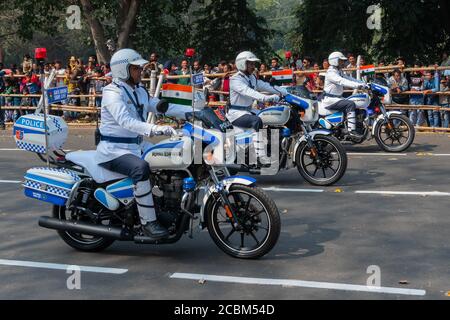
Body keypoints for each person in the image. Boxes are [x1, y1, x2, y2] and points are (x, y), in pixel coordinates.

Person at [95, 48, 177, 239]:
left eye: (140, 69)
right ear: (123, 70)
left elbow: (160, 105)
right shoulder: (112, 92)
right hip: (114, 150)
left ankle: (164, 205)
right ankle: (149, 222)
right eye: (136, 69)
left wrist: (192, 111)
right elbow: (126, 121)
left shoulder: (138, 90)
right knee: (141, 169)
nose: (141, 72)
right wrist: (156, 129)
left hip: (137, 145)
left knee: (171, 156)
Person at [227, 51, 289, 161]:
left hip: (249, 110)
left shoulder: (251, 77)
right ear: (242, 64)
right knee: (256, 121)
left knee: (271, 116)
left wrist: (285, 91)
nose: (253, 66)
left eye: (253, 64)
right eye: (250, 64)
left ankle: (272, 146)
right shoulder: (235, 79)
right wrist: (267, 98)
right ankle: (261, 156)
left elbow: (265, 86)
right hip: (236, 113)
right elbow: (249, 92)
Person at [321, 51, 368, 138]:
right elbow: (342, 81)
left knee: (354, 103)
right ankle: (351, 131)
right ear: (334, 61)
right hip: (330, 100)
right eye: (340, 61)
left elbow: (349, 78)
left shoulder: (339, 71)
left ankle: (356, 125)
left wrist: (363, 83)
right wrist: (358, 86)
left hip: (338, 98)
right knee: (350, 104)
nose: (343, 62)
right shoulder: (331, 72)